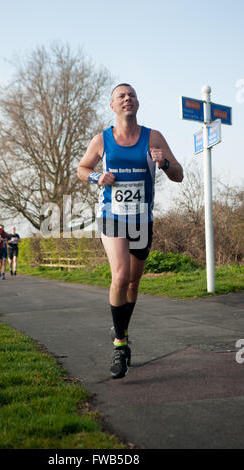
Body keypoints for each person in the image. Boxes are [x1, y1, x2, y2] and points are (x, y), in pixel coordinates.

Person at [77, 83, 183, 379]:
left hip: (142, 218)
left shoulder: (154, 137)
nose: (127, 98)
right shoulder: (103, 139)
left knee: (134, 283)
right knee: (120, 276)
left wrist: (163, 164)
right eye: (121, 96)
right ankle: (120, 345)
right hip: (111, 214)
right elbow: (82, 168)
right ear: (112, 106)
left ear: (138, 103)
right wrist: (97, 176)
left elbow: (179, 175)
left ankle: (121, 325)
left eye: (132, 95)